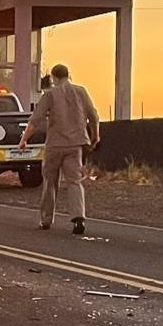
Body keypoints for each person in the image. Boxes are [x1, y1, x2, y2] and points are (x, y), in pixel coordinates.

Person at [18, 63, 98, 235]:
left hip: (55, 145)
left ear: (53, 78)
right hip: (75, 145)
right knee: (74, 181)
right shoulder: (81, 91)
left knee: (50, 182)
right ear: (68, 75)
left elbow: (35, 120)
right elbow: (93, 116)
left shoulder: (50, 94)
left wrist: (24, 140)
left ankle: (46, 219)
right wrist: (95, 136)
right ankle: (78, 218)